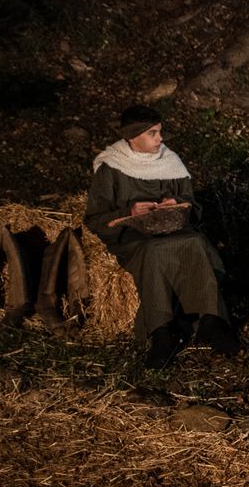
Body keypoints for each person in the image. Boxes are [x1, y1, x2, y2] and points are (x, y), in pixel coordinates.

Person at [85, 105, 238, 367]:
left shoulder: (171, 161)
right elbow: (95, 217)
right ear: (133, 137)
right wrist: (129, 211)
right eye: (153, 134)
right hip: (132, 235)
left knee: (195, 241)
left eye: (160, 132)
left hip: (172, 227)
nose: (160, 139)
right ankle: (161, 332)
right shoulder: (111, 167)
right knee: (154, 250)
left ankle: (211, 320)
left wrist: (176, 203)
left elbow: (192, 203)